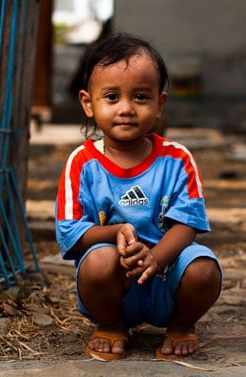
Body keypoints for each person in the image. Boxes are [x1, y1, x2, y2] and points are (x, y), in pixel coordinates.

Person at [55, 32, 222, 360]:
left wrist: (157, 257)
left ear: (160, 104)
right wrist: (115, 232)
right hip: (113, 289)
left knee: (204, 267)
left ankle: (181, 326)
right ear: (89, 103)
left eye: (141, 97)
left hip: (167, 278)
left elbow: (187, 224)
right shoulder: (83, 163)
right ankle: (112, 326)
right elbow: (71, 236)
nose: (127, 109)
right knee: (98, 260)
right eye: (112, 97)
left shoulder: (177, 159)